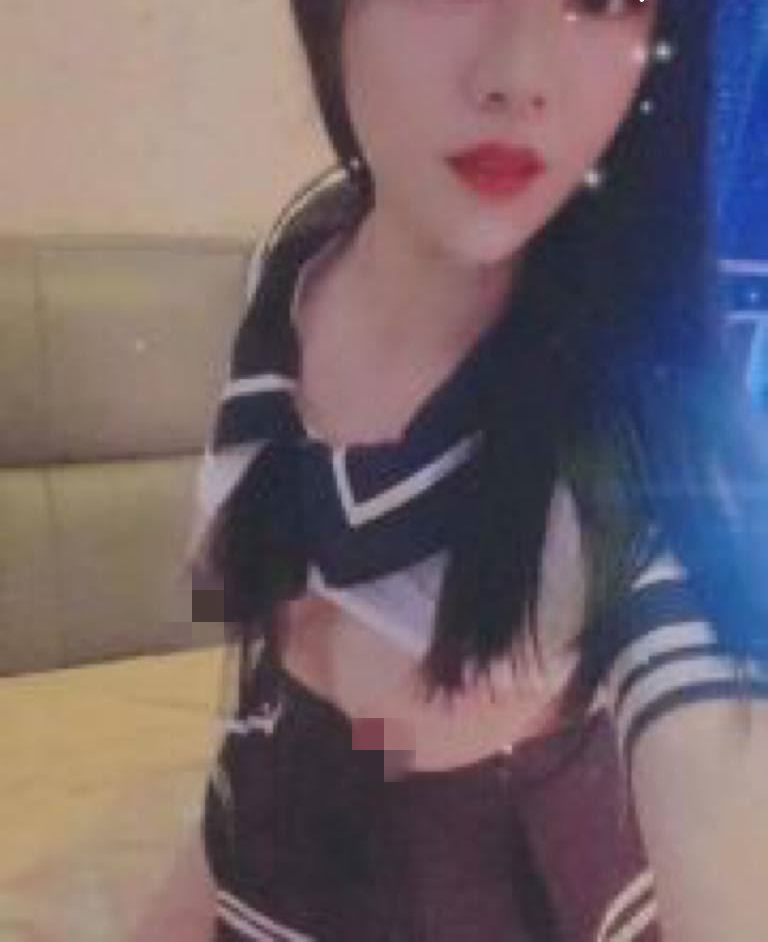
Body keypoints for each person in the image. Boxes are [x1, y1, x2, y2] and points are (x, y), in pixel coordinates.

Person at [177, 0, 768, 939]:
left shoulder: (634, 446)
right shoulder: (297, 270)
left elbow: (718, 777)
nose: (518, 76)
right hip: (256, 865)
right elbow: (265, 704)